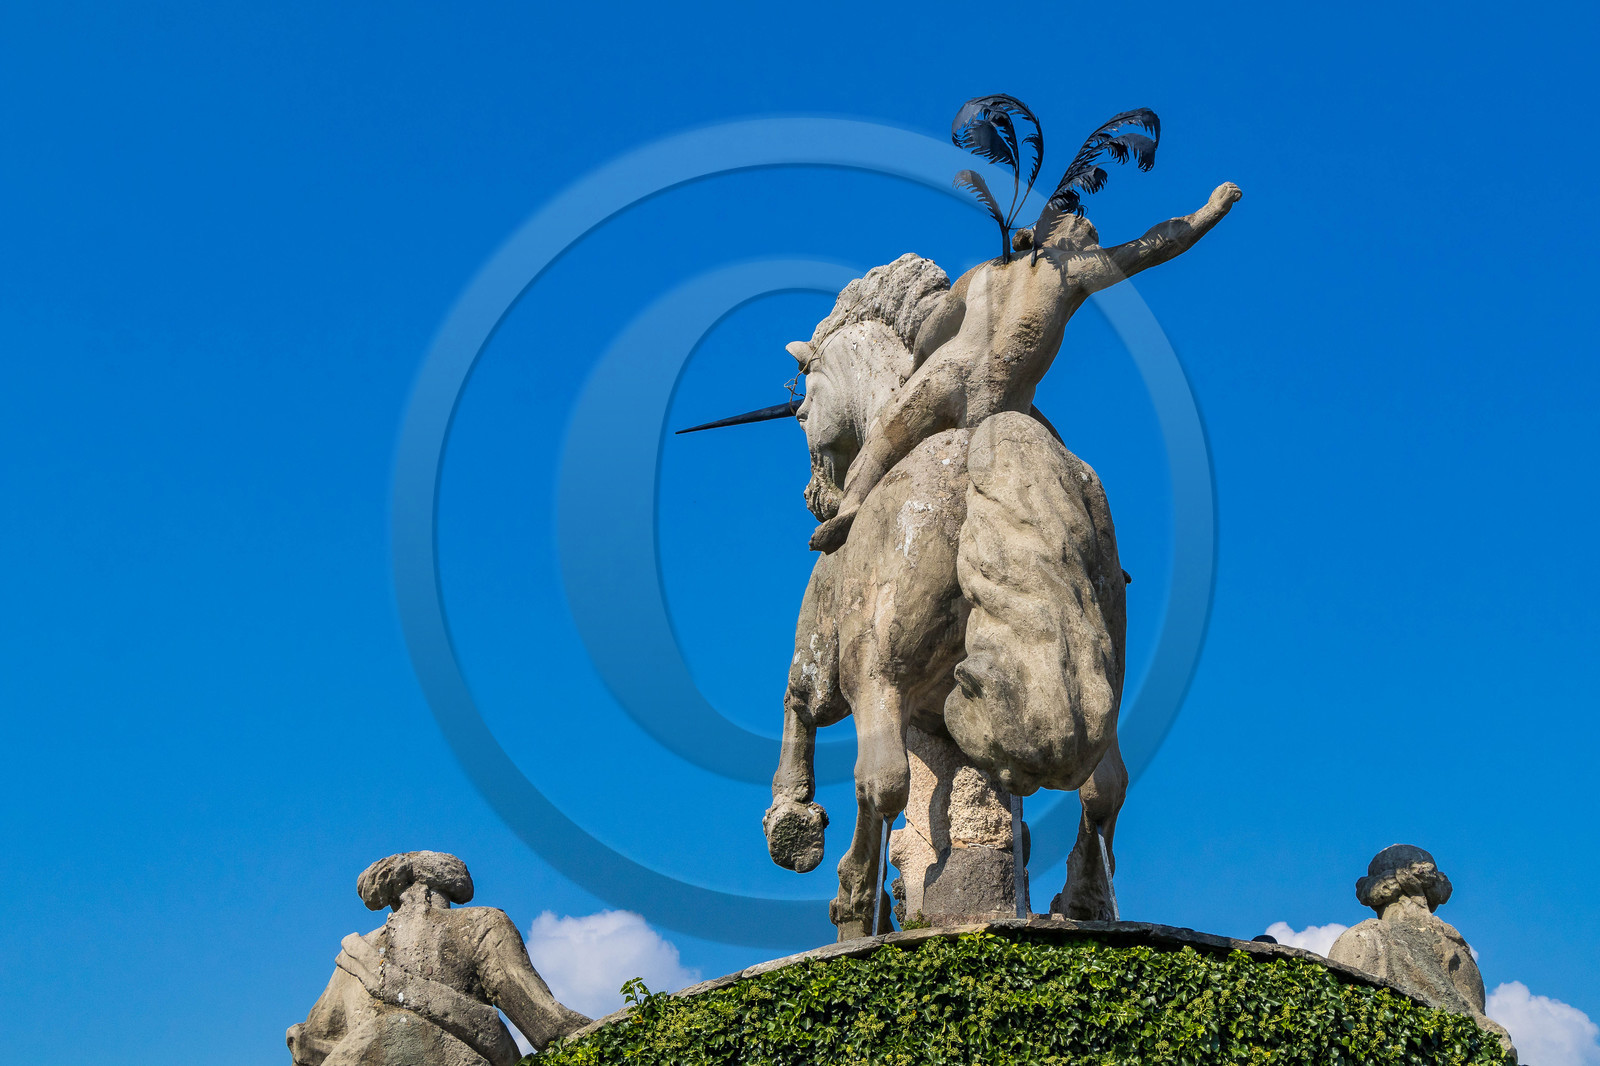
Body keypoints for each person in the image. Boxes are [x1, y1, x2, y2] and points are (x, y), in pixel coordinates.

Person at [808, 182, 1242, 553]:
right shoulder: (1077, 268)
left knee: (884, 435)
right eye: (1083, 225)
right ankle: (1092, 541)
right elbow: (1154, 245)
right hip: (1001, 402)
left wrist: (914, 370)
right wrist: (1210, 210)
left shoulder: (983, 273)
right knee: (1064, 462)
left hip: (946, 375)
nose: (1091, 229)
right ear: (1056, 235)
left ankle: (850, 508)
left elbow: (932, 331)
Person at [287, 851, 588, 1066]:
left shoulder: (355, 952)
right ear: (438, 889)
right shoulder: (479, 924)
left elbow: (306, 1045)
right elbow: (547, 1025)